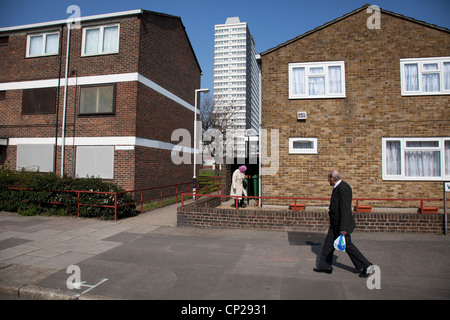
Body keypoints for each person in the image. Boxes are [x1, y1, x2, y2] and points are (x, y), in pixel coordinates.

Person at [314, 170, 374, 277]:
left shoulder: (343, 188)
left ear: (332, 179)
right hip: (335, 224)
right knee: (328, 245)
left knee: (348, 246)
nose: (328, 181)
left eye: (328, 179)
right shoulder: (338, 187)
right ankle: (325, 266)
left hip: (340, 225)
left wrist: (343, 228)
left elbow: (345, 210)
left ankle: (367, 265)